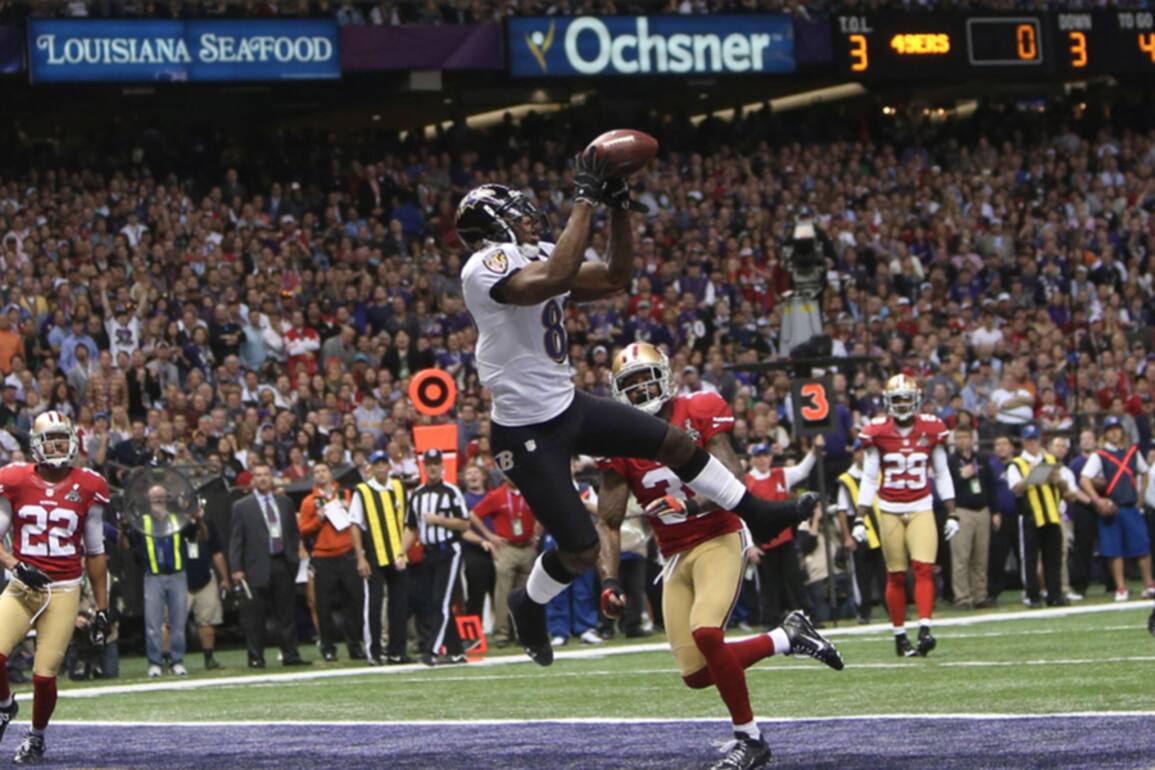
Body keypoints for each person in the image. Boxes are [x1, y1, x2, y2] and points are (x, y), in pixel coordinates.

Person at [458, 164, 815, 665]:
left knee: (675, 441)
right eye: (516, 215)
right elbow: (556, 276)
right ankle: (528, 604)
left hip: (567, 405)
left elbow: (614, 276)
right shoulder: (483, 267)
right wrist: (585, 200)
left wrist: (619, 209)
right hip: (524, 431)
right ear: (493, 226)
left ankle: (754, 511)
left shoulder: (534, 253)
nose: (530, 219)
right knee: (581, 551)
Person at [596, 342, 840, 770]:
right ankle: (787, 637)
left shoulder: (699, 409)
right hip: (673, 555)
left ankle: (751, 739)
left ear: (664, 378)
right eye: (630, 385)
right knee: (695, 675)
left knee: (707, 633)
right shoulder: (617, 438)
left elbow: (733, 478)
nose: (640, 391)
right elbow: (609, 521)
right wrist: (609, 581)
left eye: (646, 380)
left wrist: (691, 505)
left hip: (718, 535)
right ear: (618, 392)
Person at [0, 412, 111, 764]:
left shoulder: (90, 485)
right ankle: (4, 706)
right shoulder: (15, 479)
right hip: (22, 586)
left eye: (63, 438)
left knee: (44, 677)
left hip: (63, 589)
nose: (59, 446)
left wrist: (103, 608)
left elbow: (95, 551)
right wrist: (14, 564)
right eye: (51, 440)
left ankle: (36, 737)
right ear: (36, 444)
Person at [854, 374, 957, 658]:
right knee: (896, 574)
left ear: (916, 400)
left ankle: (924, 629)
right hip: (889, 508)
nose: (901, 404)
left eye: (905, 398)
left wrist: (952, 513)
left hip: (921, 505)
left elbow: (942, 473)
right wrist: (860, 516)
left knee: (923, 568)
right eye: (896, 399)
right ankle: (900, 636)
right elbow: (869, 478)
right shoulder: (876, 431)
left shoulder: (932, 428)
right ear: (888, 401)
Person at [407, 449, 488, 666]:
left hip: (449, 551)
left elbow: (464, 523)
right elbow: (411, 527)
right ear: (424, 467)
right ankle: (456, 651)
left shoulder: (451, 492)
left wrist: (439, 520)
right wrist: (400, 552)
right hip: (428, 552)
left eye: (436, 463)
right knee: (434, 602)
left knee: (440, 602)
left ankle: (431, 650)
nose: (432, 467)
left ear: (442, 466)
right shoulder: (417, 495)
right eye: (429, 464)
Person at [229, 462, 309, 668]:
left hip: (282, 562)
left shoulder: (285, 503)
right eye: (258, 475)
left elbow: (293, 532)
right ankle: (256, 657)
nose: (263, 478)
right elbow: (236, 540)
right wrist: (236, 568)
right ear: (253, 480)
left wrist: (293, 556)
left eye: (266, 474)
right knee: (255, 616)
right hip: (255, 566)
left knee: (286, 613)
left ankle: (290, 654)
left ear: (272, 478)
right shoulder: (241, 506)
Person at [123, 485, 198, 677]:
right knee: (153, 622)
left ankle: (177, 660)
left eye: (160, 496)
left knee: (178, 621)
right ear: (148, 499)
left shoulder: (177, 519)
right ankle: (155, 662)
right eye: (154, 496)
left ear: (166, 498)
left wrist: (195, 518)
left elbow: (194, 535)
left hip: (177, 574)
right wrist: (124, 526)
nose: (157, 499)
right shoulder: (142, 522)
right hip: (153, 576)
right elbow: (128, 545)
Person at [745, 439, 821, 627]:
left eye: (765, 456)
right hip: (763, 542)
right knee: (769, 585)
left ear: (771, 457)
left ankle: (809, 617)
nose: (763, 460)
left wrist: (814, 450)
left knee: (795, 580)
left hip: (784, 539)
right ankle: (771, 621)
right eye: (758, 457)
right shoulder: (748, 482)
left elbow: (802, 471)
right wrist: (750, 545)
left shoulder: (780, 475)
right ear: (753, 459)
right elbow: (743, 517)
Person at [1080, 416, 1154, 601]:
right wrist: (1097, 500)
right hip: (1112, 507)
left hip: (1130, 505)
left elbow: (1144, 473)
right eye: (1110, 430)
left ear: (1122, 431)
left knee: (1142, 547)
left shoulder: (1132, 452)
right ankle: (1121, 588)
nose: (1114, 433)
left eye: (1116, 429)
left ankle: (1149, 584)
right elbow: (1084, 479)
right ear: (1105, 434)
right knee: (1114, 550)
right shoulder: (1099, 455)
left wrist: (1141, 496)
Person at [348, 450, 412, 665]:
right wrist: (360, 557)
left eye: (384, 463)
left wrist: (404, 551)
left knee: (400, 605)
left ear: (390, 466)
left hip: (399, 555)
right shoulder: (363, 491)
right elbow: (355, 525)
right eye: (377, 464)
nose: (382, 467)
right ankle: (374, 651)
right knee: (373, 605)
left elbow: (408, 522)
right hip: (375, 555)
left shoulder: (399, 487)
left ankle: (397, 651)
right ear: (372, 468)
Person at [297, 462, 364, 662]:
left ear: (330, 474)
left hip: (348, 554)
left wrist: (349, 510)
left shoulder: (345, 494)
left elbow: (360, 521)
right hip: (323, 556)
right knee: (323, 605)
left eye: (323, 471)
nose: (320, 474)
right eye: (316, 472)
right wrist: (318, 520)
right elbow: (302, 530)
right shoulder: (309, 501)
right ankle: (328, 647)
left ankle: (355, 645)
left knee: (354, 602)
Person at [469, 475, 539, 647]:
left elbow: (543, 512)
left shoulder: (531, 491)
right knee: (503, 593)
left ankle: (524, 633)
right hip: (506, 548)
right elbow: (474, 514)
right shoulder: (497, 495)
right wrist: (489, 535)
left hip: (527, 547)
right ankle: (502, 634)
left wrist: (537, 534)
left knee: (527, 594)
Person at [1008, 425, 1070, 608]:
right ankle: (1032, 594)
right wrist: (1034, 476)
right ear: (1023, 442)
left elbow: (1063, 488)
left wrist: (1058, 480)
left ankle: (1054, 593)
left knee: (1053, 557)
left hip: (1052, 514)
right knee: (1030, 558)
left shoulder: (1050, 459)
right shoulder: (1017, 463)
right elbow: (1016, 488)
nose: (1032, 443)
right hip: (1030, 516)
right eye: (1029, 440)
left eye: (1035, 439)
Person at [947, 427, 996, 609]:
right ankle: (962, 597)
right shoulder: (950, 461)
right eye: (958, 437)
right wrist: (961, 476)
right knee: (961, 556)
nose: (962, 441)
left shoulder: (982, 459)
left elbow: (991, 485)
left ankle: (980, 595)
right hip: (962, 510)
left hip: (982, 510)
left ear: (972, 439)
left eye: (965, 437)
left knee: (981, 556)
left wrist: (995, 511)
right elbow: (946, 488)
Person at [837, 440, 886, 624]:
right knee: (862, 576)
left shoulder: (878, 474)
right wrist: (847, 537)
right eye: (859, 452)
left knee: (886, 573)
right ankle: (864, 612)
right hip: (861, 532)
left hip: (881, 529)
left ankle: (892, 608)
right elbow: (842, 511)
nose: (862, 456)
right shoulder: (847, 479)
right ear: (854, 454)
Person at [184, 508, 230, 671]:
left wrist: (225, 578)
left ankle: (209, 658)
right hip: (179, 578)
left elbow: (216, 551)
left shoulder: (206, 522)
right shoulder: (173, 522)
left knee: (208, 621)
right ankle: (171, 660)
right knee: (171, 623)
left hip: (204, 577)